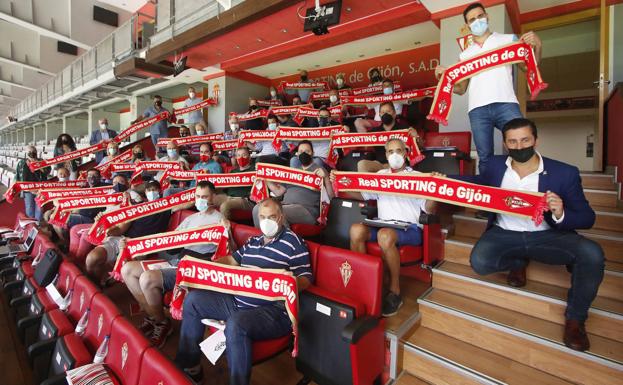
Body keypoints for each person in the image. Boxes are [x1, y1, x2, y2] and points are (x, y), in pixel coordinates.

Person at [458, 118, 603, 352]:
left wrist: (561, 212)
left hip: (547, 236)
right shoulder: (494, 166)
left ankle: (576, 319)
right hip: (505, 232)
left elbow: (588, 217)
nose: (519, 146)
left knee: (592, 253)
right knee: (480, 262)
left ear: (536, 140)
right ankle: (517, 261)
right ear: (505, 144)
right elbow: (476, 185)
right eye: (513, 142)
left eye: (525, 140)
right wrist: (441, 181)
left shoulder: (564, 173)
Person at [174, 198, 312, 385]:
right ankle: (190, 365)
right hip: (238, 302)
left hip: (273, 311)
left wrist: (285, 281)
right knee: (194, 300)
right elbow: (231, 260)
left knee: (237, 323)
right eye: (262, 217)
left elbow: (306, 280)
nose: (266, 221)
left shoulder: (294, 243)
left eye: (271, 217)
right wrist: (207, 267)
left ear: (281, 217)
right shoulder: (253, 241)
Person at [434, 2, 542, 175]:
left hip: (506, 103)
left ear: (487, 16)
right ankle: (488, 196)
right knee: (485, 157)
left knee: (522, 148)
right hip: (477, 110)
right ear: (467, 25)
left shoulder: (508, 40)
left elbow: (529, 68)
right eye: (472, 20)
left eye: (480, 16)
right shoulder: (465, 54)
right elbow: (461, 89)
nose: (477, 21)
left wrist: (538, 46)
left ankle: (527, 189)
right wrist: (445, 79)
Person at [332, 138, 436, 316]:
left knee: (385, 235)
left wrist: (436, 190)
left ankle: (394, 291)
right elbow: (362, 195)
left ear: (406, 153)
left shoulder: (418, 178)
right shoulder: (380, 175)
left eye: (399, 150)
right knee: (356, 230)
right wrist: (339, 183)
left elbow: (428, 209)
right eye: (390, 151)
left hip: (409, 228)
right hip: (382, 223)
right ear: (386, 155)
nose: (395, 154)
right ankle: (365, 283)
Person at [121, 181, 223, 347]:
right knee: (127, 270)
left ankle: (162, 323)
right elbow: (170, 243)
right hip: (176, 260)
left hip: (192, 268)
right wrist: (136, 244)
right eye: (197, 196)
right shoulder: (191, 218)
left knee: (147, 279)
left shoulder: (219, 220)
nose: (200, 200)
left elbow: (225, 253)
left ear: (213, 198)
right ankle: (153, 317)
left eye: (204, 197)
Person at [84, 178, 165, 286]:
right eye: (149, 190)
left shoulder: (167, 207)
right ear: (145, 192)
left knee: (125, 267)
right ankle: (95, 286)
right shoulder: (136, 207)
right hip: (122, 238)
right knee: (92, 258)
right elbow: (121, 229)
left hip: (142, 244)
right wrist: (104, 227)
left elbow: (184, 203)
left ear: (160, 191)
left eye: (154, 190)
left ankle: (112, 282)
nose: (152, 192)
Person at [253, 141, 334, 226]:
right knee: (257, 209)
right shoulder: (293, 172)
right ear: (297, 154)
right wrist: (265, 179)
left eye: (307, 151)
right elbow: (278, 192)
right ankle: (262, 238)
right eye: (301, 151)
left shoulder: (320, 170)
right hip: (285, 205)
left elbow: (331, 196)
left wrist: (326, 178)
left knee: (276, 213)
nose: (304, 154)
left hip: (307, 210)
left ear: (313, 154)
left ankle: (284, 238)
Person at [357, 102, 416, 173]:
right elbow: (366, 147)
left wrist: (416, 136)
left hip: (399, 164)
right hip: (379, 164)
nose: (385, 114)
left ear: (394, 114)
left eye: (388, 111)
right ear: (379, 115)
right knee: (361, 164)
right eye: (382, 112)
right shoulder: (374, 131)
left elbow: (419, 146)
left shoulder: (404, 129)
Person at [52, 168, 108, 245]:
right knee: (54, 217)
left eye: (95, 175)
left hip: (91, 218)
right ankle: (65, 241)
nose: (92, 177)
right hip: (80, 214)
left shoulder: (105, 188)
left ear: (100, 177)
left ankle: (65, 243)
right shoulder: (85, 188)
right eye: (90, 175)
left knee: (58, 220)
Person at [213, 147, 256, 219]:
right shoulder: (233, 172)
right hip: (228, 196)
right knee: (209, 199)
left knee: (225, 206)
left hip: (244, 199)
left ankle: (225, 228)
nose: (241, 157)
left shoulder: (254, 170)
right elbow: (224, 188)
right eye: (238, 155)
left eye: (244, 155)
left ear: (249, 156)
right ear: (236, 157)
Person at [16, 145, 51, 220]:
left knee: (39, 209)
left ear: (36, 152)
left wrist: (37, 163)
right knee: (29, 209)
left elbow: (47, 172)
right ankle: (31, 226)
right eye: (30, 152)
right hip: (28, 191)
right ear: (26, 153)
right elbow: (18, 177)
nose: (32, 153)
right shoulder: (21, 163)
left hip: (40, 190)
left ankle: (38, 226)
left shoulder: (42, 161)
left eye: (33, 152)